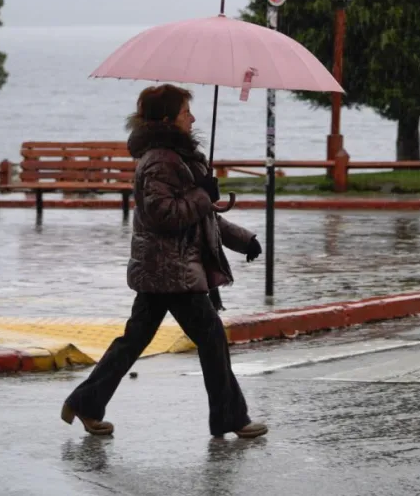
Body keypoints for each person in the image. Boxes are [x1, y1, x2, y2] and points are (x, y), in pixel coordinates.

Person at [61, 83, 268, 439]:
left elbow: (203, 218)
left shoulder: (181, 158)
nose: (193, 117)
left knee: (134, 340)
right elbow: (163, 216)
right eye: (186, 111)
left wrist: (243, 239)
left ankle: (86, 403)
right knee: (211, 337)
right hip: (170, 270)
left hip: (166, 269)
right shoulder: (159, 160)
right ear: (168, 118)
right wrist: (203, 195)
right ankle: (230, 418)